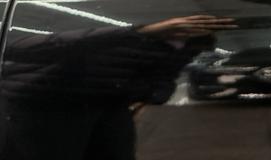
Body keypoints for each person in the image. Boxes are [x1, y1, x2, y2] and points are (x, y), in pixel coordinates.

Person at [0, 15, 236, 160]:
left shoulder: (182, 48)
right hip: (45, 105)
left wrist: (148, 96)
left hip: (107, 104)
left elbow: (160, 83)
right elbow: (20, 48)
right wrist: (140, 31)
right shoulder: (111, 37)